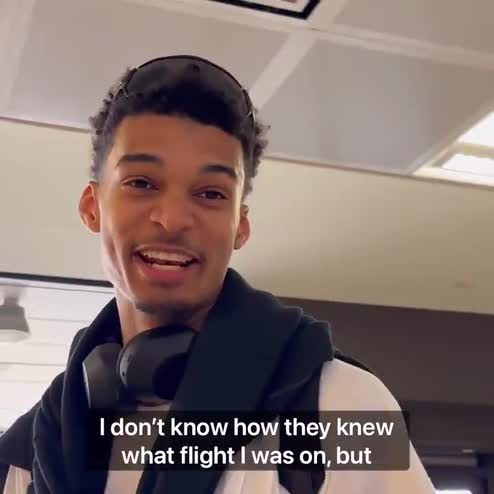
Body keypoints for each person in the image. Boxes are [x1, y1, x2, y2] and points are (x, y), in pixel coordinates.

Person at [0, 55, 436, 494]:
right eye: (141, 183)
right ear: (92, 207)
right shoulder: (29, 454)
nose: (173, 219)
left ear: (240, 227)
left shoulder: (344, 409)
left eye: (210, 193)